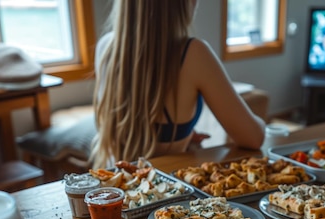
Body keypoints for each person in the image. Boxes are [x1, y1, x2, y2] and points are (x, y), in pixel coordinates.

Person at [91, 0, 265, 169]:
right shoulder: (193, 53)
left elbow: (130, 124)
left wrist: (181, 135)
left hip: (115, 188)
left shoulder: (105, 48)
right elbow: (253, 138)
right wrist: (266, 124)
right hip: (163, 191)